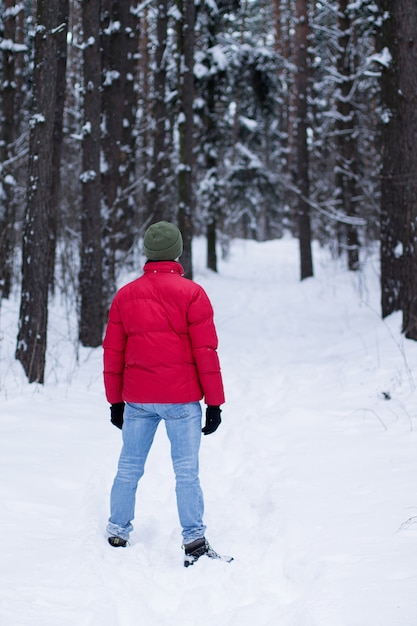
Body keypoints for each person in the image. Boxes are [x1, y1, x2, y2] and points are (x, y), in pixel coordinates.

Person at [103, 221, 225, 566]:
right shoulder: (192, 293)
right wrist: (214, 401)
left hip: (138, 400)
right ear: (177, 252)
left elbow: (113, 352)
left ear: (147, 253)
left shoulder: (126, 295)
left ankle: (117, 531)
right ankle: (195, 543)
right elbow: (206, 351)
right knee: (186, 472)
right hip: (182, 400)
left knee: (128, 467)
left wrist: (115, 400)